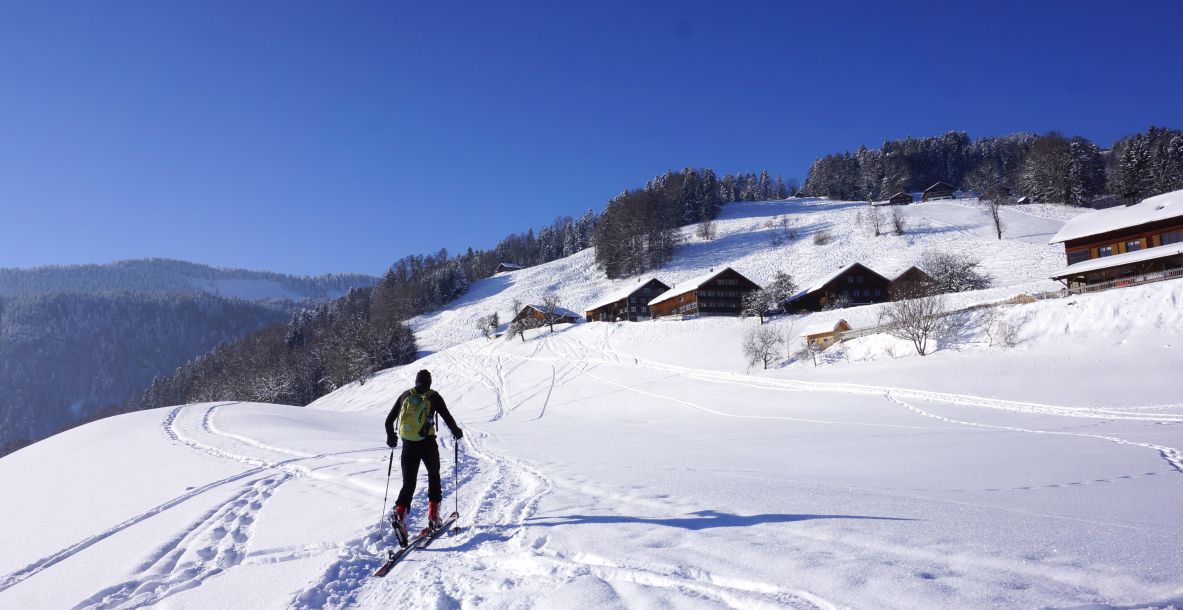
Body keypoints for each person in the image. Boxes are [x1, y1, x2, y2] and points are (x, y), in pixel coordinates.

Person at [384, 369, 462, 544]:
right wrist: (456, 432)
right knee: (434, 476)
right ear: (429, 382)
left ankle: (400, 514)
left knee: (408, 483)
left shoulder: (405, 395)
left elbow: (388, 421)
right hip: (428, 444)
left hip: (408, 445)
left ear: (416, 381)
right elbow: (447, 417)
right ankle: (433, 515)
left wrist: (391, 437)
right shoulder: (433, 396)